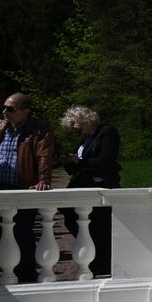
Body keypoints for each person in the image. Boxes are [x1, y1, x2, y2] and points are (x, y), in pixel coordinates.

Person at [0, 93, 56, 282]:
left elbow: (44, 155)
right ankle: (9, 273)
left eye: (10, 109)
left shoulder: (39, 129)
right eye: (4, 107)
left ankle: (27, 274)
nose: (4, 111)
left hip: (23, 186)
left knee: (23, 232)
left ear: (25, 111)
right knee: (3, 230)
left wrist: (43, 178)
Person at [60, 105, 121, 275]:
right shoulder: (85, 138)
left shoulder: (107, 132)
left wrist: (79, 162)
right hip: (83, 185)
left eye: (77, 126)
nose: (76, 130)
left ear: (85, 121)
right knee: (71, 217)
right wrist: (69, 162)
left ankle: (102, 265)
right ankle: (93, 258)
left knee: (100, 228)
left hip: (101, 185)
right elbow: (78, 167)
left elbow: (105, 161)